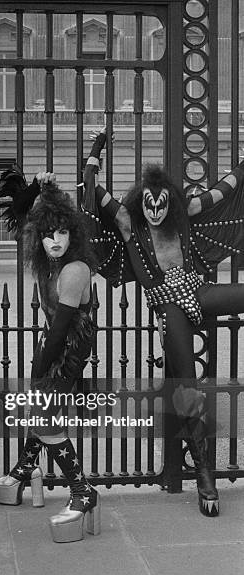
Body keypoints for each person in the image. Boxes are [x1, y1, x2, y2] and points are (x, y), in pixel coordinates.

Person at [83, 127, 244, 517]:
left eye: (161, 203)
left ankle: (201, 468)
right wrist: (96, 148)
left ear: (169, 201)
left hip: (199, 293)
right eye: (149, 203)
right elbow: (91, 186)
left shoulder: (184, 213)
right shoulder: (128, 222)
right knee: (186, 384)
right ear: (142, 203)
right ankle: (204, 473)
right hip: (169, 310)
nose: (155, 210)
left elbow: (223, 188)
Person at [0, 168, 100, 543]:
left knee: (46, 418)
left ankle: (82, 491)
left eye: (63, 232)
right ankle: (24, 470)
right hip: (54, 343)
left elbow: (60, 332)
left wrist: (39, 370)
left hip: (69, 348)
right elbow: (22, 212)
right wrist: (39, 186)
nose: (55, 240)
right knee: (41, 409)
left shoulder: (74, 269)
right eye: (48, 233)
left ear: (74, 233)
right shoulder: (46, 259)